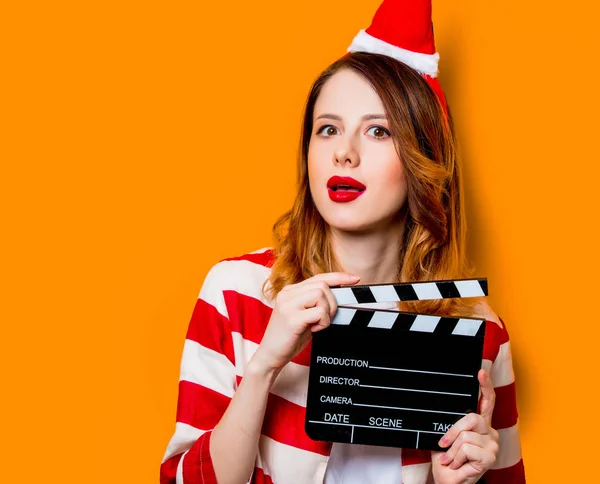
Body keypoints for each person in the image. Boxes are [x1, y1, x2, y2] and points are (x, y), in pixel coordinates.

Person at [160, 1, 525, 483]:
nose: (344, 153)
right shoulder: (236, 294)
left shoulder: (480, 334)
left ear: (423, 158)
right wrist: (266, 365)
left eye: (377, 131)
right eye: (327, 128)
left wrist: (454, 480)